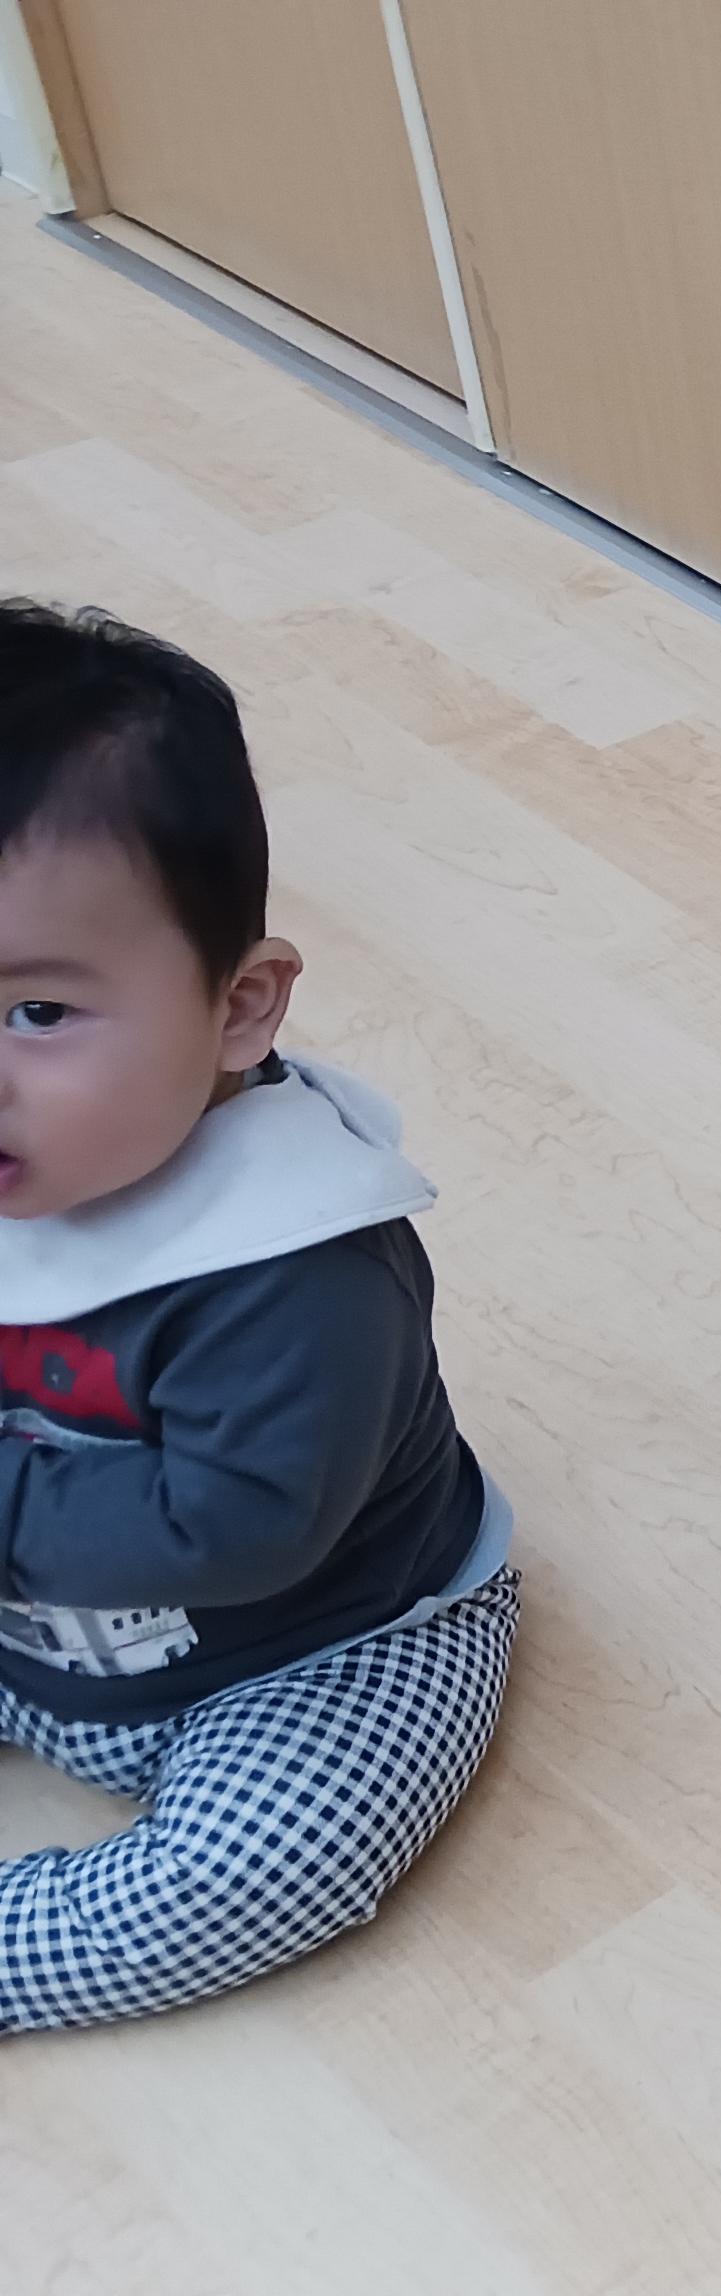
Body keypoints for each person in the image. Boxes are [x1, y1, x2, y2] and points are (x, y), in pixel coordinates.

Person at [0, 602, 516, 2027]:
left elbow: (235, 1528)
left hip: (305, 1650)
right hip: (40, 1624)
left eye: (37, 1014)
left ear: (240, 1006)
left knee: (268, 1861)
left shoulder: (300, 1270)